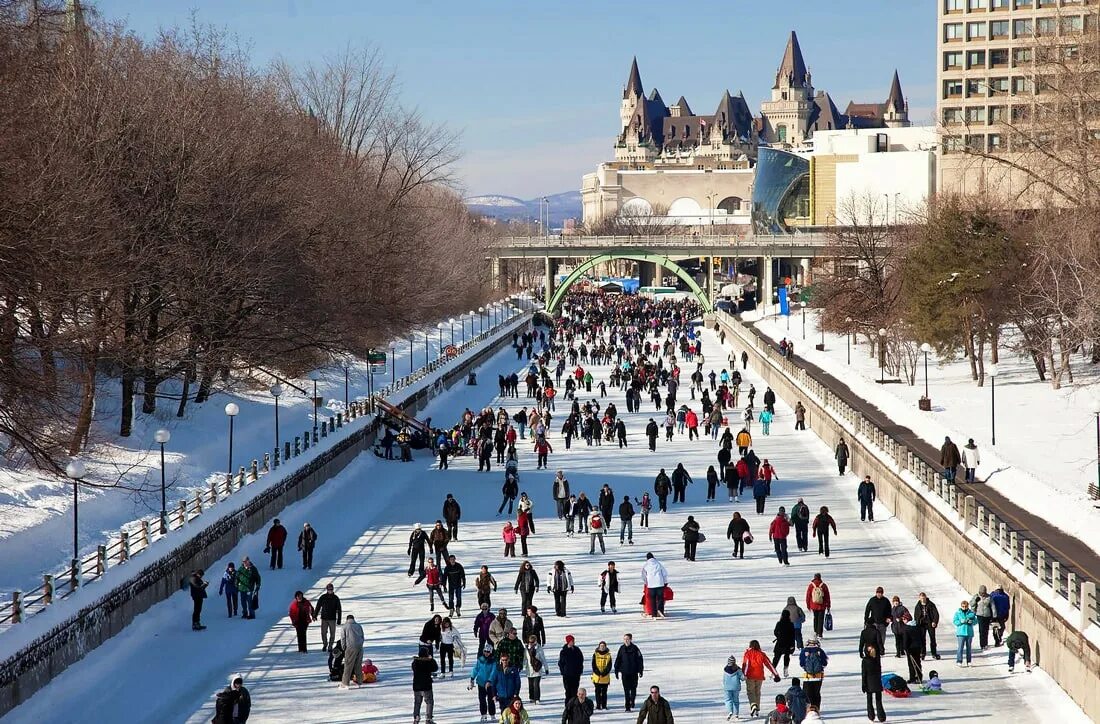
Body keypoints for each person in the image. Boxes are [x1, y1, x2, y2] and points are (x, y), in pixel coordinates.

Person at [742, 639, 781, 718]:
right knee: (757, 692)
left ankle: (753, 705)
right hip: (759, 676)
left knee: (750, 692)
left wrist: (744, 675)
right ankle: (757, 708)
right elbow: (769, 664)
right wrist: (776, 674)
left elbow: (746, 665)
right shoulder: (761, 654)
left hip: (750, 676)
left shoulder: (748, 654)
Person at [614, 633, 644, 712]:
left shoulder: (635, 648)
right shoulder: (622, 648)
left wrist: (640, 670)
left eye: (627, 639)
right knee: (626, 690)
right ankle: (627, 705)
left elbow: (640, 660)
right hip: (625, 673)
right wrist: (616, 671)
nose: (626, 641)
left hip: (634, 672)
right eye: (624, 639)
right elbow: (618, 660)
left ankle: (632, 701)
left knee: (633, 688)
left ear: (631, 639)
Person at [470, 642, 499, 722]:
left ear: (491, 652)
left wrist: (490, 680)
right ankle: (483, 714)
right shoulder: (480, 660)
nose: (486, 653)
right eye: (485, 651)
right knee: (482, 699)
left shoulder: (493, 661)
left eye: (488, 652)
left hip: (490, 684)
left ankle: (492, 714)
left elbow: (494, 672)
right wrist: (472, 677)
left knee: (491, 699)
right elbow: (476, 669)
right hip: (481, 682)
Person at [799, 638, 828, 709]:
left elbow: (801, 664)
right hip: (818, 677)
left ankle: (808, 709)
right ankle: (816, 709)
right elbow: (824, 663)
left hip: (807, 677)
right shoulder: (820, 651)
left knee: (808, 695)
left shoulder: (804, 651)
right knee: (816, 694)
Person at [412, 644, 438, 724]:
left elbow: (413, 668)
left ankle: (416, 717)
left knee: (417, 702)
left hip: (417, 686)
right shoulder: (429, 662)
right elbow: (435, 668)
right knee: (429, 702)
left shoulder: (415, 662)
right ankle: (428, 718)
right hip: (426, 686)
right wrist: (431, 659)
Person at [861, 644, 886, 723]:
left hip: (869, 682)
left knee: (869, 700)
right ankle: (881, 716)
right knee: (878, 700)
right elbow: (879, 670)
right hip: (877, 681)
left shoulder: (865, 661)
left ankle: (871, 715)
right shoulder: (876, 659)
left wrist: (863, 684)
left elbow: (864, 673)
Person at [314, 583, 342, 652]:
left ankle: (330, 646)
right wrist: (315, 615)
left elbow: (339, 609)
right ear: (327, 589)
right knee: (323, 633)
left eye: (331, 589)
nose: (330, 590)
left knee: (332, 633)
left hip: (332, 619)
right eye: (329, 589)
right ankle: (325, 644)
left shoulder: (336, 598)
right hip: (324, 618)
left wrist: (339, 619)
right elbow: (318, 607)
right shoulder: (323, 597)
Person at [340, 614, 365, 688]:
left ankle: (345, 683)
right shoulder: (359, 626)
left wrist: (343, 648)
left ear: (347, 619)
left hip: (350, 647)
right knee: (358, 665)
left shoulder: (345, 627)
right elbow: (362, 637)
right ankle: (360, 682)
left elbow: (343, 638)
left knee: (348, 665)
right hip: (359, 647)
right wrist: (360, 644)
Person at [914, 592, 940, 660]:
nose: (922, 599)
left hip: (930, 623)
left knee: (932, 638)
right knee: (922, 639)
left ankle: (934, 653)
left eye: (923, 598)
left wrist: (934, 621)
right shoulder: (918, 606)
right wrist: (917, 623)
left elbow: (936, 614)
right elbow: (916, 615)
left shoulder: (931, 604)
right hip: (921, 624)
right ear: (919, 598)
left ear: (925, 597)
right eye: (921, 598)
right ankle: (923, 653)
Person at [523, 633, 549, 703]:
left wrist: (546, 668)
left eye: (532, 642)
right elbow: (525, 659)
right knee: (530, 685)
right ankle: (531, 697)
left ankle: (537, 698)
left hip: (537, 669)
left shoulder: (539, 648)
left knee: (536, 684)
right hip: (529, 669)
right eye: (530, 642)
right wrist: (523, 666)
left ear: (535, 641)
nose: (531, 643)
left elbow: (543, 658)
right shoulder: (526, 649)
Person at [864, 587, 892, 652]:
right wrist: (866, 620)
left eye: (881, 593)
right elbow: (867, 610)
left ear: (883, 593)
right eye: (878, 593)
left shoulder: (886, 601)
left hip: (883, 622)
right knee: (874, 637)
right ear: (876, 593)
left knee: (882, 637)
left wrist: (888, 620)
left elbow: (889, 611)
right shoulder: (872, 600)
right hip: (874, 622)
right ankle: (874, 650)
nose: (879, 594)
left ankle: (881, 649)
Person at [559, 634, 585, 703]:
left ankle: (574, 704)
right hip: (567, 675)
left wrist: (580, 670)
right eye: (571, 641)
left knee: (574, 691)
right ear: (568, 642)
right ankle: (568, 705)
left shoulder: (577, 650)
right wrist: (563, 672)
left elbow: (581, 660)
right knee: (568, 691)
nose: (573, 642)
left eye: (573, 641)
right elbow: (561, 663)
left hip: (576, 674)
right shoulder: (564, 651)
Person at [641, 553, 668, 618]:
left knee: (652, 599)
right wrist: (665, 582)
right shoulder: (658, 564)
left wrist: (646, 582)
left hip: (651, 585)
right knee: (660, 598)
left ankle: (654, 614)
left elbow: (643, 576)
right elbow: (664, 573)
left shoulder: (646, 565)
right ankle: (660, 610)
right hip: (660, 583)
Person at [804, 574, 830, 640]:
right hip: (822, 605)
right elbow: (827, 596)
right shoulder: (823, 585)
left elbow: (808, 596)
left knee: (815, 618)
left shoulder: (811, 585)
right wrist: (828, 605)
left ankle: (815, 632)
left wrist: (808, 605)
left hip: (813, 605)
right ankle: (820, 634)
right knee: (821, 619)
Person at [772, 610, 797, 677]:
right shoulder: (791, 624)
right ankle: (785, 670)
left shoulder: (779, 623)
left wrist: (779, 636)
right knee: (786, 657)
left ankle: (773, 670)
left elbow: (775, 632)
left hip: (779, 642)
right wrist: (792, 645)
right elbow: (793, 635)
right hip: (788, 643)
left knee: (776, 657)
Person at [953, 599, 977, 666]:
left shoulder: (971, 613)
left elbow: (976, 621)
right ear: (961, 606)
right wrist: (961, 621)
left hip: (969, 633)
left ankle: (969, 661)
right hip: (961, 633)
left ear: (967, 606)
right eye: (963, 606)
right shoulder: (958, 613)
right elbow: (955, 621)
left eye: (966, 606)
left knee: (969, 648)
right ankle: (959, 661)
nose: (964, 608)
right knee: (960, 647)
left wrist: (971, 622)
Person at [970, 585, 995, 650]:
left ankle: (985, 643)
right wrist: (975, 600)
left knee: (986, 630)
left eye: (984, 593)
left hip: (987, 615)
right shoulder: (976, 596)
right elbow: (971, 604)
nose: (982, 594)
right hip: (979, 615)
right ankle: (982, 644)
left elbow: (993, 606)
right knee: (981, 630)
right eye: (981, 593)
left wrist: (994, 616)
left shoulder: (989, 597)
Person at [591, 641, 613, 710]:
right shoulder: (595, 654)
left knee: (604, 692)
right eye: (601, 646)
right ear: (599, 646)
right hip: (597, 677)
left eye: (603, 646)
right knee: (597, 692)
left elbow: (609, 666)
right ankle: (598, 705)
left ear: (605, 647)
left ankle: (604, 705)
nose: (602, 647)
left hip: (605, 677)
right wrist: (598, 673)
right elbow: (593, 665)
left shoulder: (608, 655)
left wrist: (603, 673)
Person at [723, 656, 746, 721]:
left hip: (727, 687)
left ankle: (730, 711)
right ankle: (736, 714)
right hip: (736, 687)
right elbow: (742, 678)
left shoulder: (725, 669)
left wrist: (724, 685)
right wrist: (745, 677)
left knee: (728, 700)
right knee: (736, 701)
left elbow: (724, 679)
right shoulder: (738, 669)